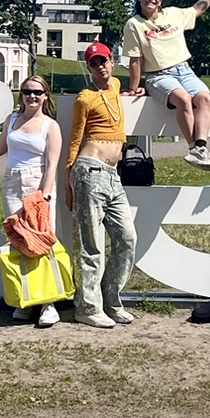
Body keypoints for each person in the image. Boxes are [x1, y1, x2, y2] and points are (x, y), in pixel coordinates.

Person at [0, 74, 65, 328]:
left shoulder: (50, 126)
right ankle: (27, 300)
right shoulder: (11, 120)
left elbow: (52, 164)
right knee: (19, 241)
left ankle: (49, 304)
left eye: (38, 92)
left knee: (41, 241)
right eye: (27, 91)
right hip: (12, 181)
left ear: (46, 96)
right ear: (21, 94)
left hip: (37, 183)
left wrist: (44, 195)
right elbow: (0, 149)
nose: (32, 96)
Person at [61, 41, 135, 329]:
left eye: (103, 60)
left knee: (126, 238)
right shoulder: (84, 98)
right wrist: (69, 183)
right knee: (90, 244)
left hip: (113, 175)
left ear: (112, 61)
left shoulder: (115, 84)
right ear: (88, 67)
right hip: (89, 171)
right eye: (93, 63)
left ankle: (110, 299)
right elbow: (75, 140)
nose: (100, 66)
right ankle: (87, 307)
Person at [123, 0, 210, 170]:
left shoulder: (173, 14)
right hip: (158, 76)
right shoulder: (134, 24)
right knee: (183, 98)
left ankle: (201, 148)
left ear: (161, 1)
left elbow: (199, 8)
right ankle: (193, 148)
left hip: (185, 71)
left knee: (204, 98)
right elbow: (135, 60)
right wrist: (134, 88)